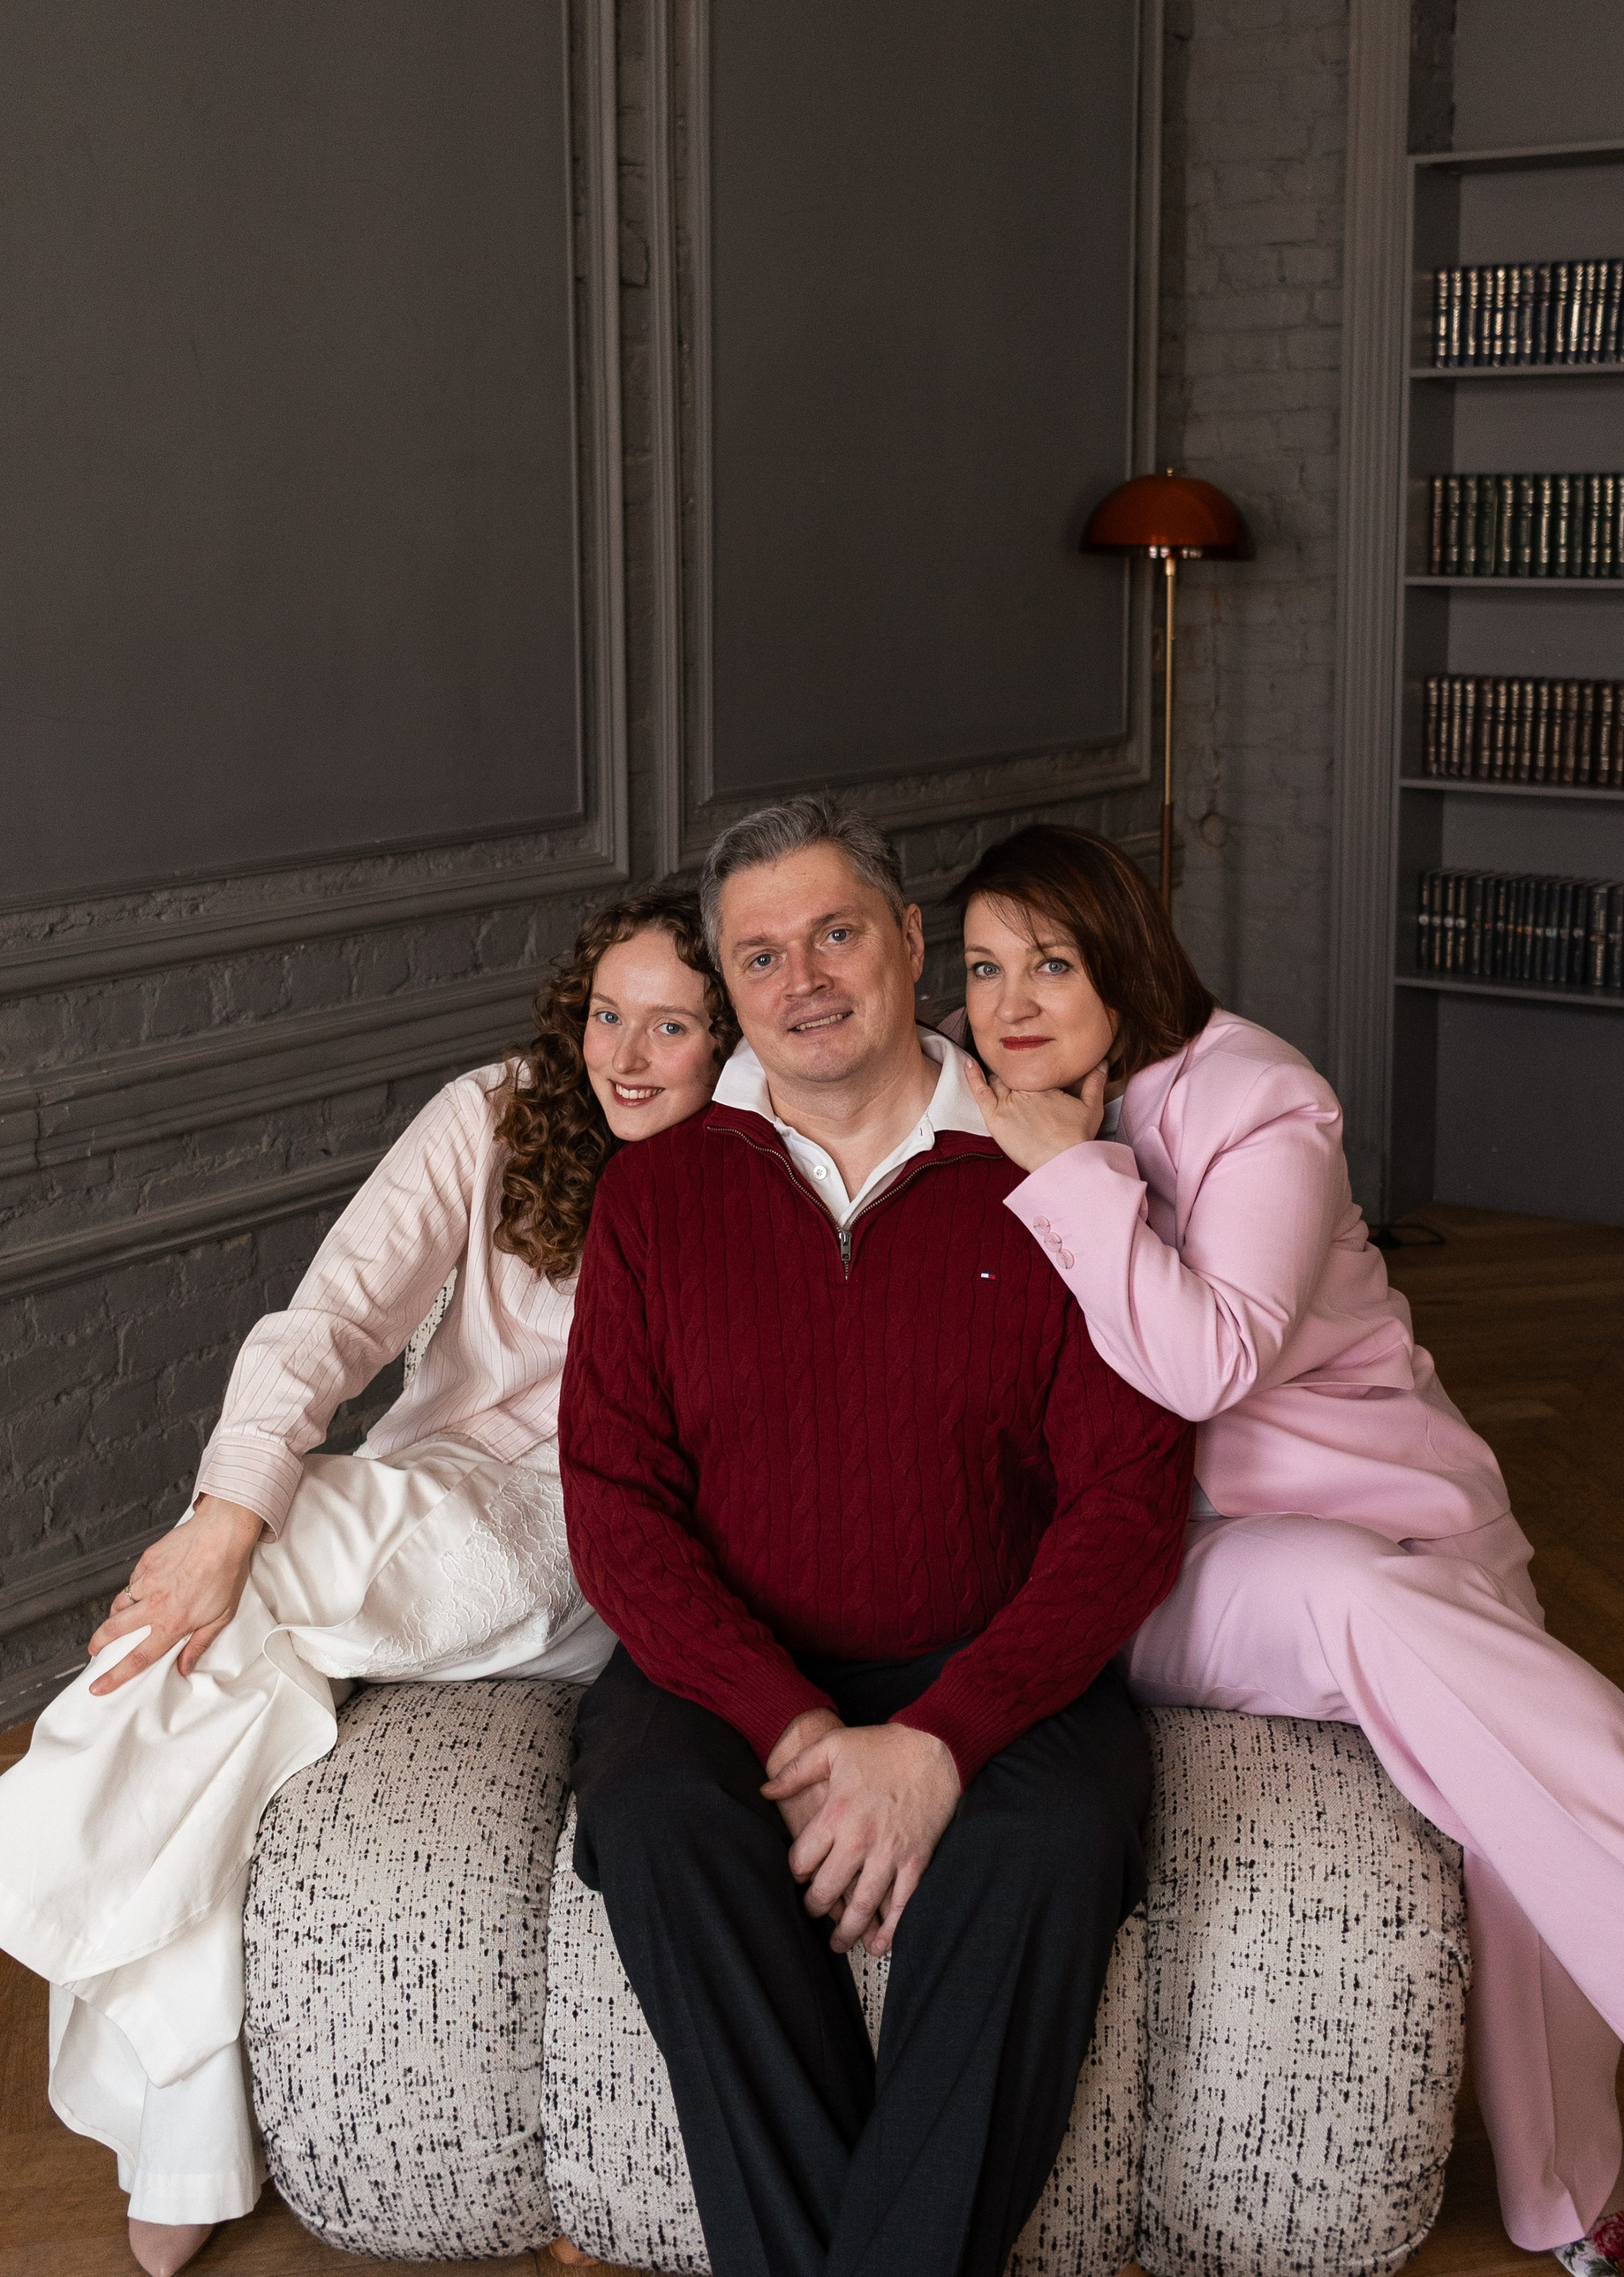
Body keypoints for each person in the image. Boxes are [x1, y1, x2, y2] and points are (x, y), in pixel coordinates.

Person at [0, 891, 731, 2277]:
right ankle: (182, 2147)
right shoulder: (502, 1110)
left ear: (733, 1037)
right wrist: (226, 1520)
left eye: (672, 1026)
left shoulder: (762, 1162)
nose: (627, 1055)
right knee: (236, 1677)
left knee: (257, 1564)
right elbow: (334, 1314)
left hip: (582, 1552)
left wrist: (227, 1528)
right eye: (609, 1015)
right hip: (421, 1513)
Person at [951, 820, 1624, 2276]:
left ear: (1122, 958)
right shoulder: (976, 1102)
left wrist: (1068, 1166)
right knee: (1359, 1604)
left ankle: (1576, 2199)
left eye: (1049, 963)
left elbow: (1215, 1357)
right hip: (1169, 1563)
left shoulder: (1261, 1099)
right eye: (984, 968)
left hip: (1397, 1504)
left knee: (1494, 1778)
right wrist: (1057, 1163)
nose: (1010, 1004)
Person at [556, 794, 1195, 2277]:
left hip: (995, 1661)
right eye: (760, 955)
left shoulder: (1055, 1178)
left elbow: (1129, 1505)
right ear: (731, 989)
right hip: (727, 1675)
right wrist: (790, 1726)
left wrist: (942, 1740)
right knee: (654, 1818)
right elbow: (616, 1510)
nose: (804, 981)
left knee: (1049, 1844)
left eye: (836, 934)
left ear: (909, 941)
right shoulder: (655, 1197)